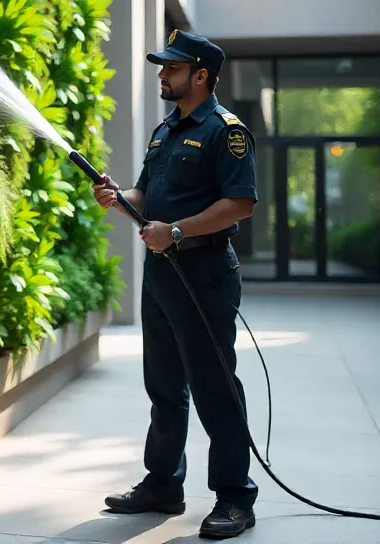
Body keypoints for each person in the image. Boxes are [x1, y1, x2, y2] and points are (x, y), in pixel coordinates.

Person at [92, 29, 259, 540]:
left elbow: (241, 202)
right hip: (162, 273)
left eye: (172, 67)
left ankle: (234, 498)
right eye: (163, 67)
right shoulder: (167, 130)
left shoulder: (225, 131)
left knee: (215, 387)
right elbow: (147, 197)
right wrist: (120, 197)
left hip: (204, 273)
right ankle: (163, 483)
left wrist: (179, 231)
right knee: (164, 385)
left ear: (201, 75)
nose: (162, 74)